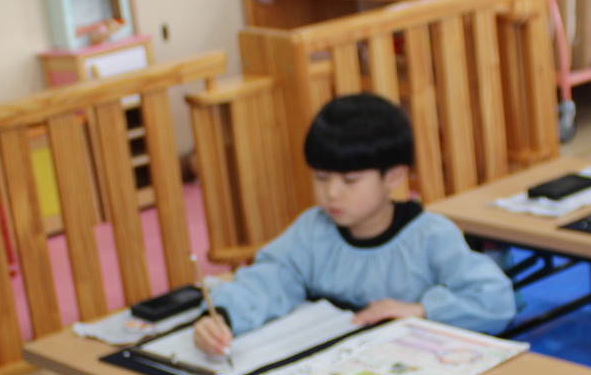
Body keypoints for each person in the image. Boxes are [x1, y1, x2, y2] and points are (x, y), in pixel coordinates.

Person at [192, 95, 514, 355]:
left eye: (350, 180)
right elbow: (269, 279)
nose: (332, 192)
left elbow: (495, 299)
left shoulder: (431, 236)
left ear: (394, 177)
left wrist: (421, 310)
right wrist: (220, 316)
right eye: (321, 177)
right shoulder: (312, 231)